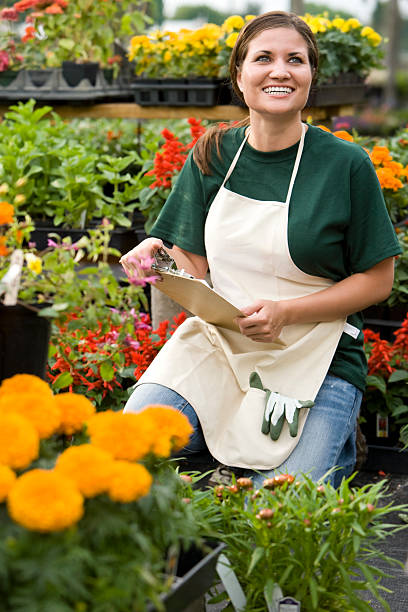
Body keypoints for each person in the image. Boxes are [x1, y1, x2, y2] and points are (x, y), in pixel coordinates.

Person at [120, 11, 401, 488]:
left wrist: (286, 312)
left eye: (296, 60)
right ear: (240, 75)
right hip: (218, 347)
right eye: (264, 58)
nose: (280, 70)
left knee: (287, 507)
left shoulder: (344, 164)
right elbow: (192, 265)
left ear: (311, 77)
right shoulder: (213, 154)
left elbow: (378, 280)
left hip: (316, 358)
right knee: (124, 454)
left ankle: (332, 436)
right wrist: (156, 259)